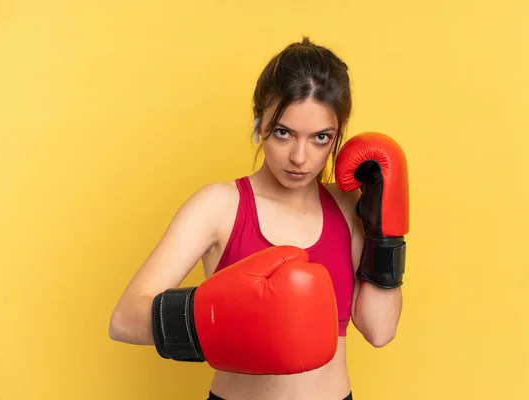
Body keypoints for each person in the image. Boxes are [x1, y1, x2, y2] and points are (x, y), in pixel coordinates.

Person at [109, 36, 408, 400]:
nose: (300, 157)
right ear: (258, 121)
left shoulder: (349, 205)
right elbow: (124, 320)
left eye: (320, 138)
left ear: (338, 134)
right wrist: (222, 316)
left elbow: (379, 331)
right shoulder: (219, 206)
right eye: (284, 132)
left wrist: (385, 237)